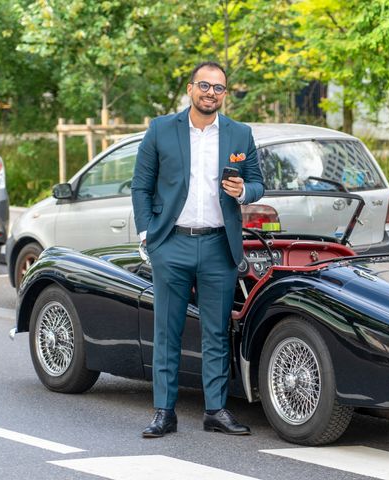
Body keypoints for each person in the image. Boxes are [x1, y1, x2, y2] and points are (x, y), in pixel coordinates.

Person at [131, 61, 265, 438]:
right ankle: (163, 412)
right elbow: (140, 186)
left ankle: (216, 411)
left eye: (218, 88)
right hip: (171, 244)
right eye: (204, 86)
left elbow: (258, 183)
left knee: (216, 333)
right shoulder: (161, 129)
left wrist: (245, 192)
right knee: (167, 331)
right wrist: (147, 235)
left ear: (225, 94)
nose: (210, 93)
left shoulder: (240, 134)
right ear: (191, 89)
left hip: (218, 245)